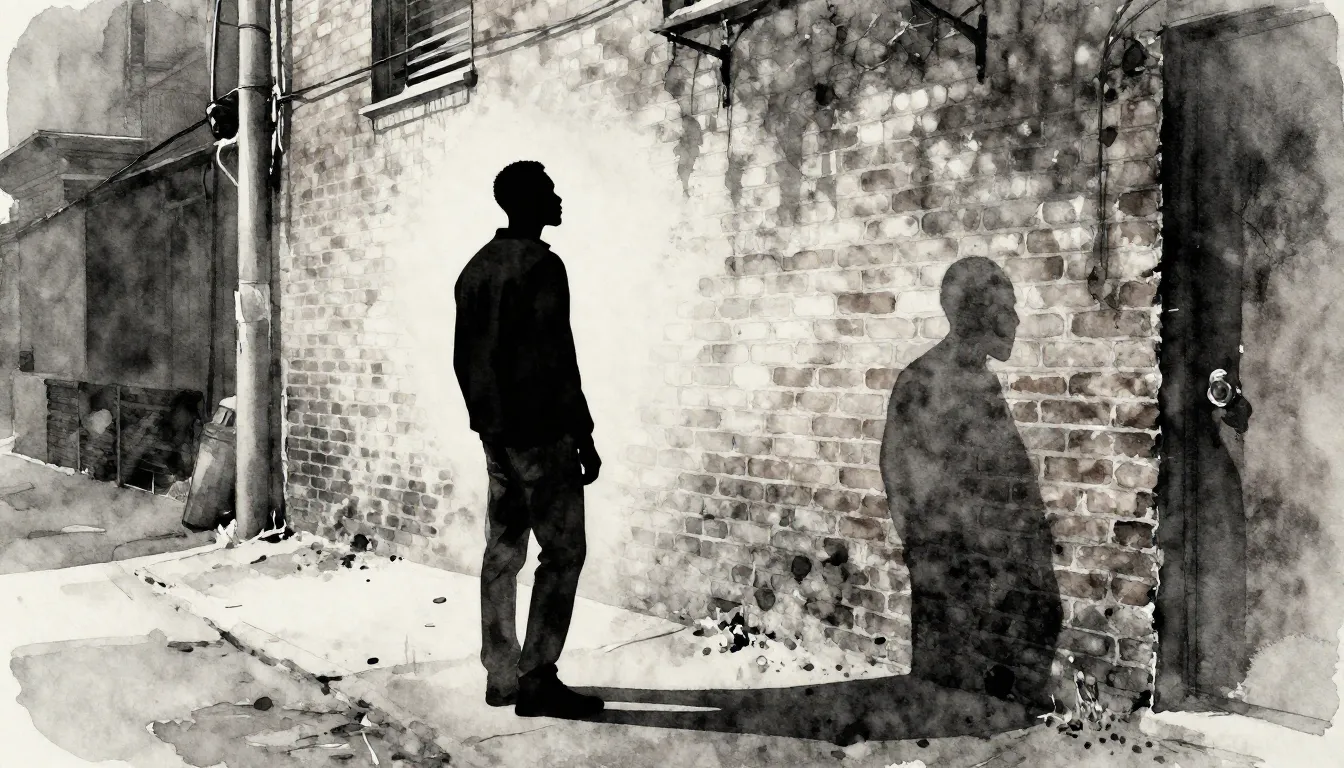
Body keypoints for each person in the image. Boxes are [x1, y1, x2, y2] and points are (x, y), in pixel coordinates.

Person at [453, 160, 605, 718]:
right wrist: (583, 433)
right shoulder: (542, 265)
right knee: (563, 553)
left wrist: (488, 425)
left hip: (498, 439)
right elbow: (558, 358)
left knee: (502, 551)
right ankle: (537, 678)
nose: (558, 199)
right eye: (549, 191)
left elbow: (463, 361)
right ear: (527, 202)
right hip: (542, 435)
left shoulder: (474, 269)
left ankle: (501, 676)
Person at [879, 257, 1062, 707]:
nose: (1016, 320)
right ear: (976, 313)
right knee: (949, 692)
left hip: (988, 567)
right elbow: (904, 478)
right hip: (958, 570)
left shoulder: (976, 380)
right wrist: (932, 553)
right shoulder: (926, 381)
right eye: (1006, 309)